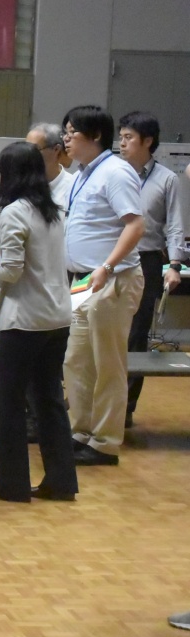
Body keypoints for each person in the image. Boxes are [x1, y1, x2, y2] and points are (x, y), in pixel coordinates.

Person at [0, 142, 76, 502]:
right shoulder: (53, 210)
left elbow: (9, 272)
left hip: (25, 321)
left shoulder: (15, 212)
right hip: (57, 317)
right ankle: (61, 481)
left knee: (8, 402)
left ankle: (12, 484)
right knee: (49, 400)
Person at [62, 105, 144, 466]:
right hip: (83, 282)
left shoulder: (116, 172)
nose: (66, 138)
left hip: (112, 279)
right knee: (77, 361)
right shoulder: (82, 173)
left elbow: (135, 225)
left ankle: (106, 442)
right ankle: (81, 431)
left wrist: (107, 266)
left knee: (108, 363)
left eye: (72, 132)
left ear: (95, 137)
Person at [118, 111, 184, 428]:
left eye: (129, 137)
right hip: (112, 259)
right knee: (102, 330)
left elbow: (174, 226)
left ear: (148, 141)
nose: (122, 143)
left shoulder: (166, 179)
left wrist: (174, 264)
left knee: (136, 334)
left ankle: (126, 406)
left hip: (147, 260)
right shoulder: (112, 173)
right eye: (121, 136)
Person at [25, 122, 75, 210]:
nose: (28, 154)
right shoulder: (22, 183)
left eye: (35, 149)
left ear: (56, 149)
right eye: (26, 149)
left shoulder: (72, 187)